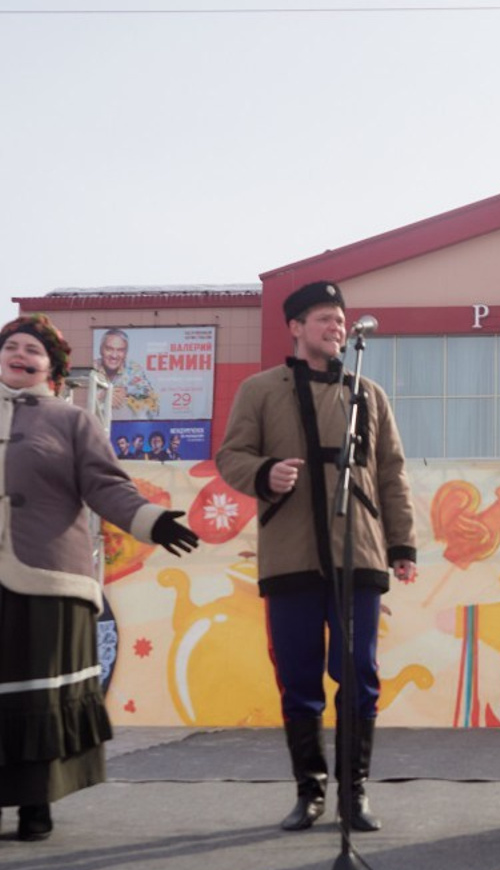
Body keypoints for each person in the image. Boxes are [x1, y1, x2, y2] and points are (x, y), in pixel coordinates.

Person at [216, 281, 417, 832]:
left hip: (360, 552)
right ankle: (310, 791)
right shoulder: (260, 390)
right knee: (298, 677)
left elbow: (392, 473)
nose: (337, 327)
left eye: (340, 318)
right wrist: (264, 474)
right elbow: (231, 454)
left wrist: (401, 544)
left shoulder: (368, 395)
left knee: (358, 674)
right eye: (325, 318)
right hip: (291, 555)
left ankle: (354, 793)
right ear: (296, 328)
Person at [0, 314, 197, 841]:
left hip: (47, 577)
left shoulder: (70, 421)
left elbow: (106, 486)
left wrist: (151, 521)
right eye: (11, 346)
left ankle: (35, 804)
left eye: (33, 351)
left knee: (38, 696)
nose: (20, 355)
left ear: (51, 367)